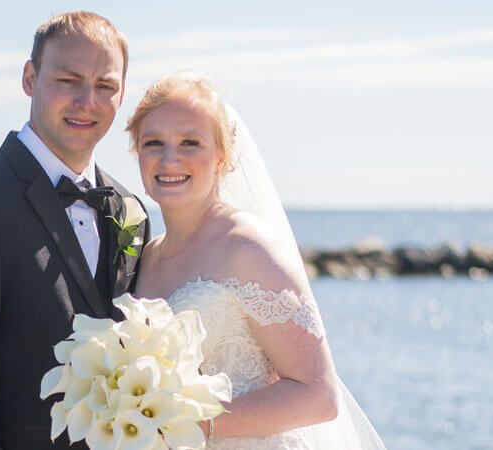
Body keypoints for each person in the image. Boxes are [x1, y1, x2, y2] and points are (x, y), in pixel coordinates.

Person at [0, 12, 149, 450]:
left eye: (105, 86)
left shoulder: (130, 209)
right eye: (68, 79)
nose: (87, 101)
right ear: (29, 77)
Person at [129, 72, 385, 449]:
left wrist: (193, 422)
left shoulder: (249, 248)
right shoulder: (147, 256)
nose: (170, 158)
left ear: (221, 156)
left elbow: (318, 395)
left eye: (190, 142)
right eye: (154, 143)